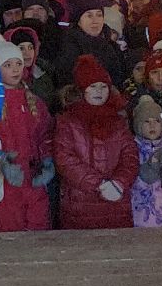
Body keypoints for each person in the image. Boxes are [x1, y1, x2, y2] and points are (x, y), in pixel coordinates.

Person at [0, 34, 53, 232]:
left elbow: (46, 135)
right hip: (4, 183)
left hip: (34, 181)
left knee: (39, 231)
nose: (15, 69)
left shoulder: (34, 102)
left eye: (18, 63)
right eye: (7, 65)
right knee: (7, 234)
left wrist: (48, 160)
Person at [54, 55, 139, 230]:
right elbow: (65, 159)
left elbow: (130, 156)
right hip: (80, 205)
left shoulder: (119, 121)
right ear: (82, 90)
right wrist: (98, 185)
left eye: (103, 87)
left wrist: (119, 182)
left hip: (116, 203)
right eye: (93, 87)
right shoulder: (68, 121)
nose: (99, 92)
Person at [129, 95, 162, 228]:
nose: (152, 125)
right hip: (142, 218)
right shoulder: (131, 148)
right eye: (146, 121)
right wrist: (148, 171)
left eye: (157, 121)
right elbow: (130, 182)